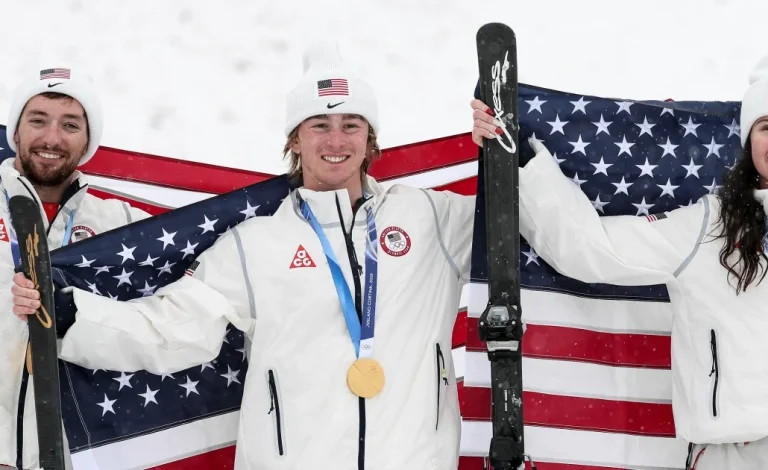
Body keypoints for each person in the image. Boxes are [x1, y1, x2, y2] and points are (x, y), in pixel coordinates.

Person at [12, 43, 480, 470]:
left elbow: (514, 221)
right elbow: (173, 328)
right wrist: (75, 316)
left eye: (350, 125)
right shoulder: (255, 242)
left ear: (370, 138)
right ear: (295, 139)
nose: (335, 142)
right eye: (319, 125)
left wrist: (508, 150)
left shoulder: (429, 218)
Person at [470, 49, 768, 470]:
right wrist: (520, 157)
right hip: (732, 453)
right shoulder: (708, 226)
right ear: (748, 140)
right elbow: (594, 248)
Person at [1, 67, 150, 470]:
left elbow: (163, 323)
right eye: (37, 120)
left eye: (70, 124)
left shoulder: (123, 226)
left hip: (79, 456)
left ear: (88, 142)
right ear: (15, 131)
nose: (51, 138)